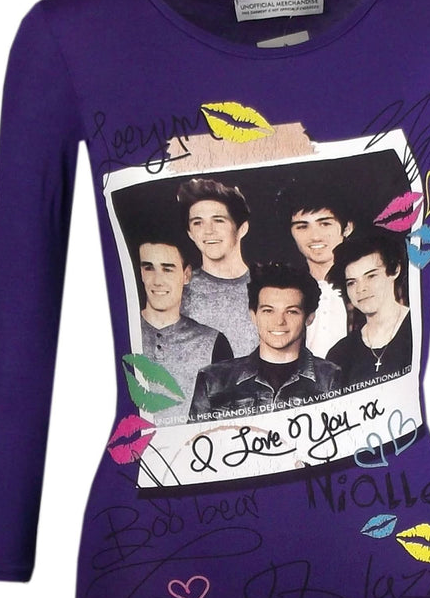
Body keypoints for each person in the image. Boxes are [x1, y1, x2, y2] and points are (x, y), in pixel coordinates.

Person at [189, 262, 342, 421]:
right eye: (268, 311)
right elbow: (197, 436)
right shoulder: (213, 379)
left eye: (291, 312)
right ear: (254, 315)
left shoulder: (331, 378)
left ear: (309, 317)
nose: (279, 321)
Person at [138, 237, 232, 422]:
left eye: (167, 269)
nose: (157, 281)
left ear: (186, 275)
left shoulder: (213, 342)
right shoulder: (122, 334)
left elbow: (226, 419)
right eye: (149, 268)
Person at [177, 178, 259, 357]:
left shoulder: (266, 284)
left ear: (242, 229)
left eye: (219, 220)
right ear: (190, 234)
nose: (208, 231)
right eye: (198, 222)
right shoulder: (179, 292)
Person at [326, 230, 412, 385]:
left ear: (394, 271)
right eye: (352, 282)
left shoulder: (422, 330)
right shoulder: (340, 353)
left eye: (371, 276)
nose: (361, 289)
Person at [280, 183, 354, 357]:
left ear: (347, 228)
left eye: (325, 224)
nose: (314, 236)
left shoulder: (366, 287)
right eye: (302, 226)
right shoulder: (283, 290)